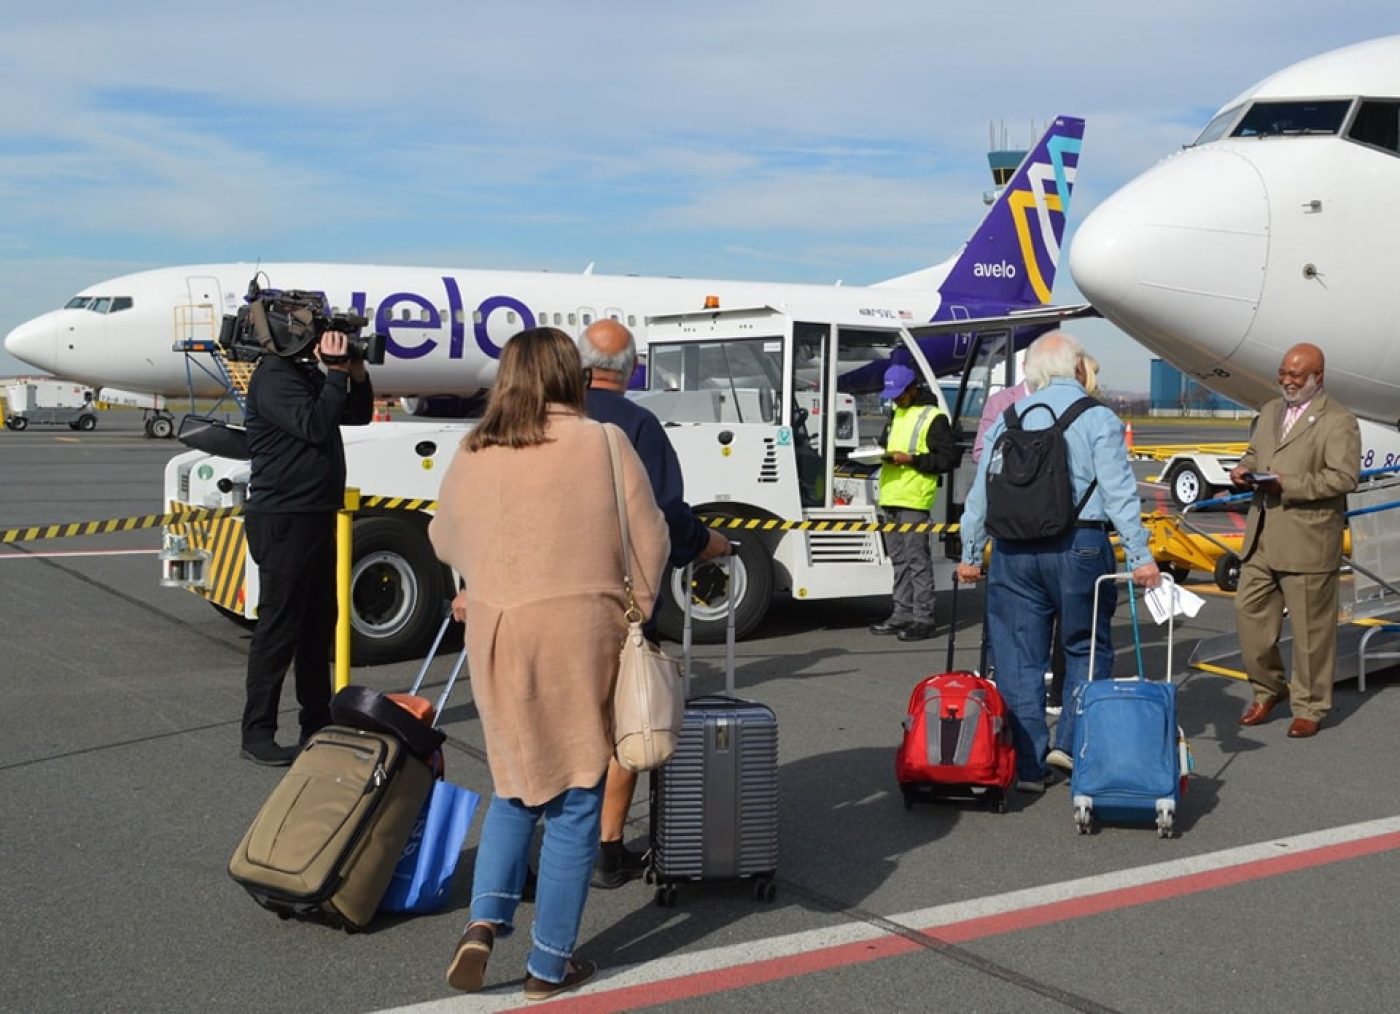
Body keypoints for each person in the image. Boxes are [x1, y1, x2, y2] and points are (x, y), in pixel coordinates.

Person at [432, 327, 668, 1001]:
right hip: (580, 632)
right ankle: (548, 962)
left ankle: (484, 921)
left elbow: (444, 536)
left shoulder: (476, 448)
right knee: (575, 796)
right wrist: (636, 611)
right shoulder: (603, 442)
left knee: (515, 778)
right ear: (573, 376)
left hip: (498, 633)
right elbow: (648, 538)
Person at [956, 332, 1160, 793]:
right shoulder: (1097, 418)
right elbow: (1119, 494)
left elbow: (980, 496)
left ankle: (1028, 764)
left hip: (1012, 554)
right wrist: (1142, 556)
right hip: (1080, 547)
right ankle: (1069, 745)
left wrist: (971, 555)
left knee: (1016, 658)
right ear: (1077, 367)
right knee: (1085, 649)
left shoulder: (1007, 416)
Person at [578, 318, 731, 889]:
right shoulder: (638, 426)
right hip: (621, 603)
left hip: (553, 602)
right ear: (631, 368)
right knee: (628, 720)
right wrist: (707, 543)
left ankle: (545, 843)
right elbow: (665, 516)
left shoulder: (551, 420)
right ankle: (606, 847)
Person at [240, 312, 374, 766]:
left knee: (318, 626)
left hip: (316, 515)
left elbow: (353, 415)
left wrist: (354, 372)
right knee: (279, 628)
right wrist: (334, 373)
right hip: (283, 518)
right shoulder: (275, 378)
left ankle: (316, 722)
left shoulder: (301, 374)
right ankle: (257, 733)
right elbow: (315, 425)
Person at [1228, 342, 1359, 739]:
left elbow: (1343, 478)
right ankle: (1269, 689)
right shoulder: (1270, 411)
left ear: (1318, 377)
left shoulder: (1339, 420)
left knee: (1311, 635)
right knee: (1249, 618)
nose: (1286, 380)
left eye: (1296, 375)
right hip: (1262, 537)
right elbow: (1255, 453)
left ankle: (1310, 706)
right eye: (1283, 372)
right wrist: (1244, 468)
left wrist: (1288, 484)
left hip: (1307, 540)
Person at [868, 362, 959, 642]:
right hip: (891, 494)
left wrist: (912, 460)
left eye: (899, 394)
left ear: (912, 388)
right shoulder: (897, 413)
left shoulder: (933, 417)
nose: (895, 399)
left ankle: (923, 617)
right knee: (898, 560)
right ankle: (902, 613)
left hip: (915, 498)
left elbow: (948, 458)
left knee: (917, 560)